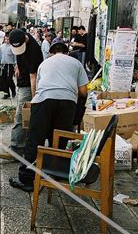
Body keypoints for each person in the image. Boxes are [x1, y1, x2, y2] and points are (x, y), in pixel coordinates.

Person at [9, 42, 89, 191]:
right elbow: (83, 92)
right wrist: (77, 117)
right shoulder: (76, 63)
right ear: (67, 53)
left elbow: (38, 87)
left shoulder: (44, 63)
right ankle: (56, 174)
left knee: (35, 139)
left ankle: (27, 179)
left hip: (44, 100)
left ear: (51, 53)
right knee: (60, 138)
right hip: (68, 102)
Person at [0, 29, 43, 160]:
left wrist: (35, 98)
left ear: (25, 39)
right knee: (25, 117)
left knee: (20, 115)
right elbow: (20, 56)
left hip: (29, 85)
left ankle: (16, 149)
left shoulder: (33, 50)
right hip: (23, 81)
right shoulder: (18, 37)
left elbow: (33, 76)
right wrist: (18, 66)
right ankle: (23, 146)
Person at [0, 32, 16, 98]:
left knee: (9, 79)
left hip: (10, 65)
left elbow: (15, 57)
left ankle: (13, 91)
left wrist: (15, 65)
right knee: (3, 79)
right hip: (3, 65)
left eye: (8, 39)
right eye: (5, 39)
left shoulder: (13, 47)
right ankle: (6, 93)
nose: (7, 41)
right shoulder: (2, 46)